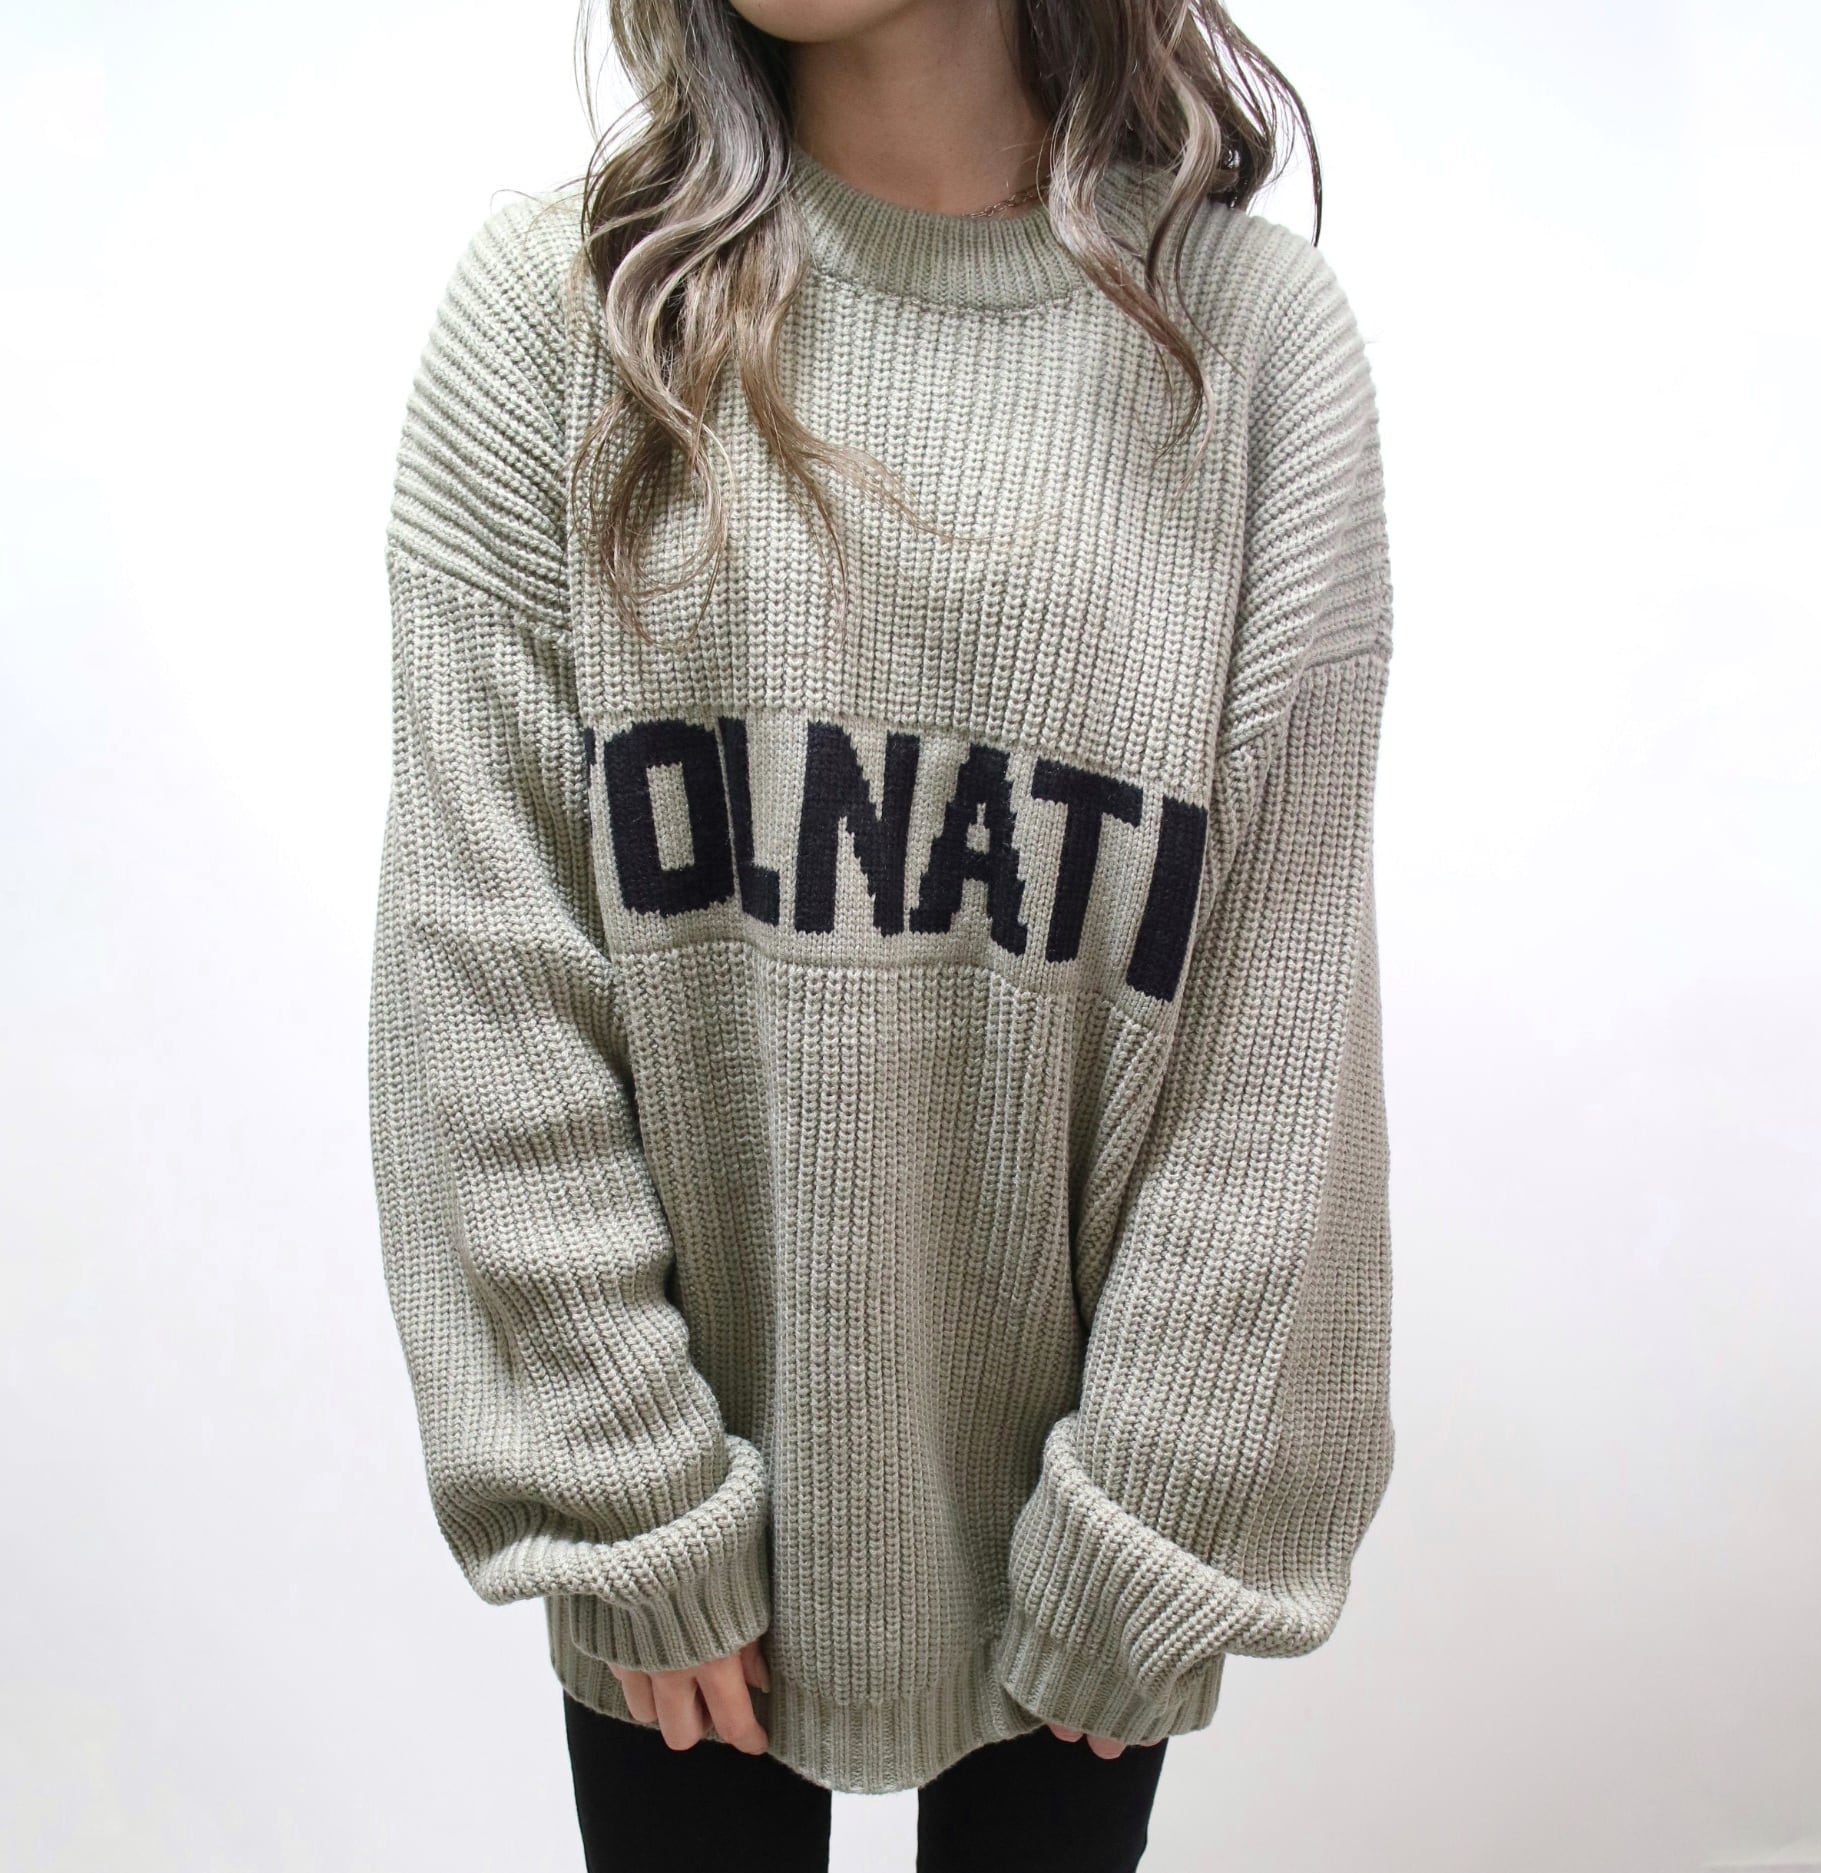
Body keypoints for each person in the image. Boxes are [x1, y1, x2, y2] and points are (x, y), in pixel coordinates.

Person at [367, 0, 1398, 1864]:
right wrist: (619, 1485)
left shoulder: (1251, 351)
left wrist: (1156, 1515)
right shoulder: (558, 317)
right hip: (672, 1488)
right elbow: (484, 966)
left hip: (1089, 1521)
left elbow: (1275, 1017)